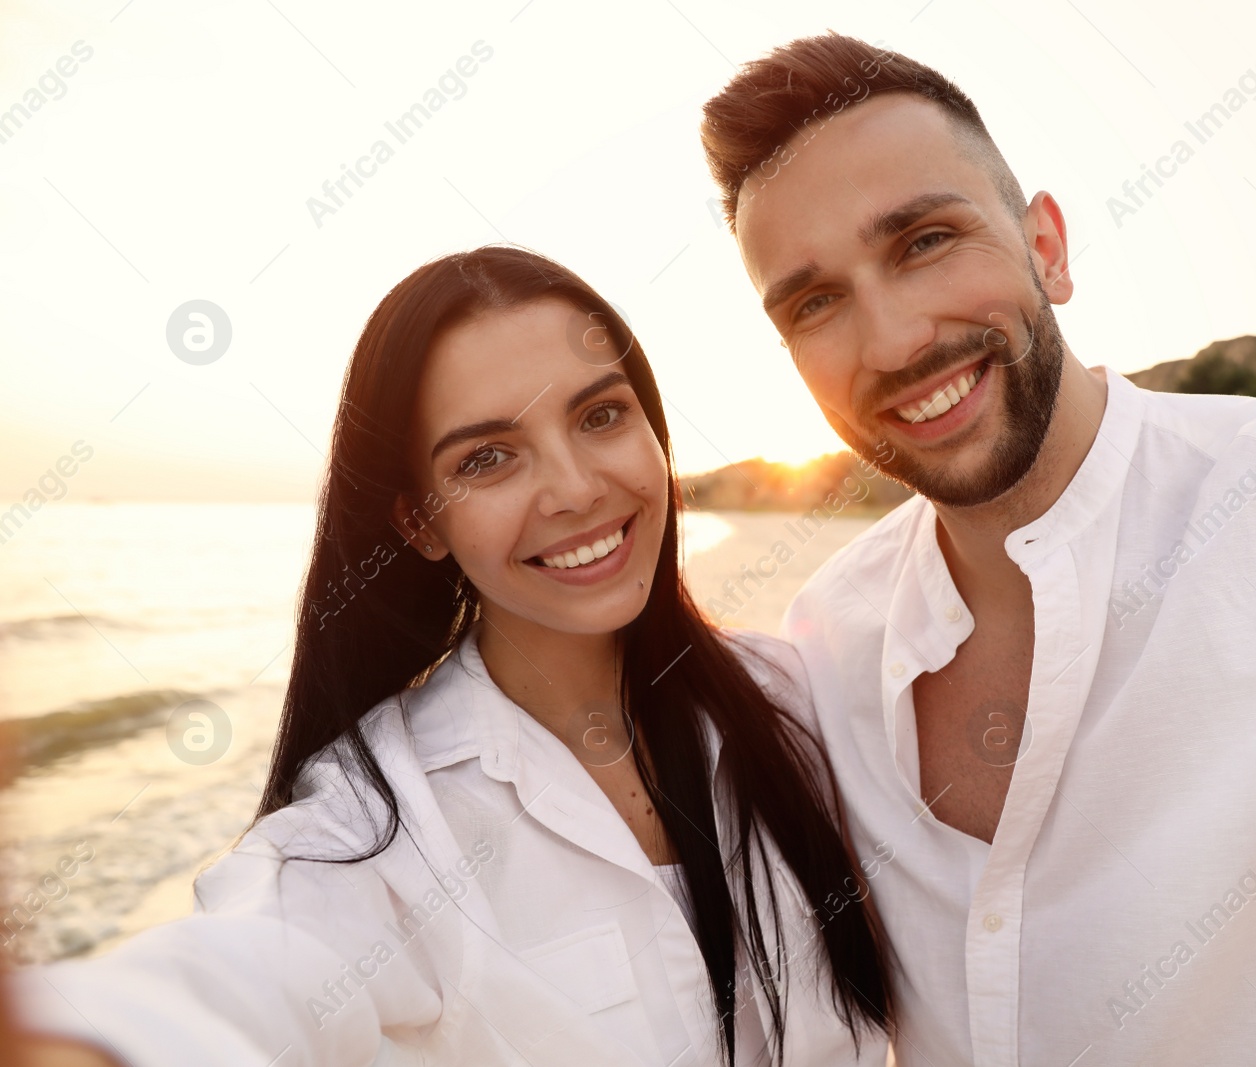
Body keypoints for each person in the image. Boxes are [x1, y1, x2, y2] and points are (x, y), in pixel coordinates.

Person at [699, 32, 1256, 1066]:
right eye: (815, 301)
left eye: (925, 241)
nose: (894, 340)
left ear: (1047, 246)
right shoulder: (825, 635)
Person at [7, 247, 892, 1066]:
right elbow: (251, 972)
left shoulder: (794, 698)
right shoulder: (380, 823)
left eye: (601, 415)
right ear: (420, 522)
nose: (577, 489)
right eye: (490, 458)